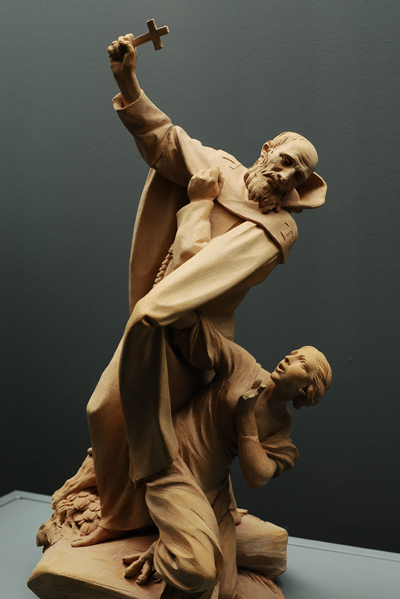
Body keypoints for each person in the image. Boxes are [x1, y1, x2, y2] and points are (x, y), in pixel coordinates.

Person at [78, 31, 328, 544]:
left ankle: (125, 522)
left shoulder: (276, 232)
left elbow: (199, 270)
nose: (285, 176)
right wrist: (128, 83)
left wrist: (196, 206)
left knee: (151, 425)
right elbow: (168, 141)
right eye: (285, 161)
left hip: (191, 337)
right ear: (267, 151)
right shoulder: (222, 168)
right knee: (104, 410)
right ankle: (119, 513)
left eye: (297, 175)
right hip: (155, 317)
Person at [117, 312, 332, 599]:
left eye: (301, 363)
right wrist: (173, 304)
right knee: (200, 572)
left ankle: (176, 543)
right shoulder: (245, 367)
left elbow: (258, 476)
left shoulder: (281, 428)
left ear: (306, 389)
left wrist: (246, 418)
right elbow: (201, 338)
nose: (288, 358)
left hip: (213, 489)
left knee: (226, 589)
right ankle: (170, 549)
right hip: (174, 464)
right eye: (293, 353)